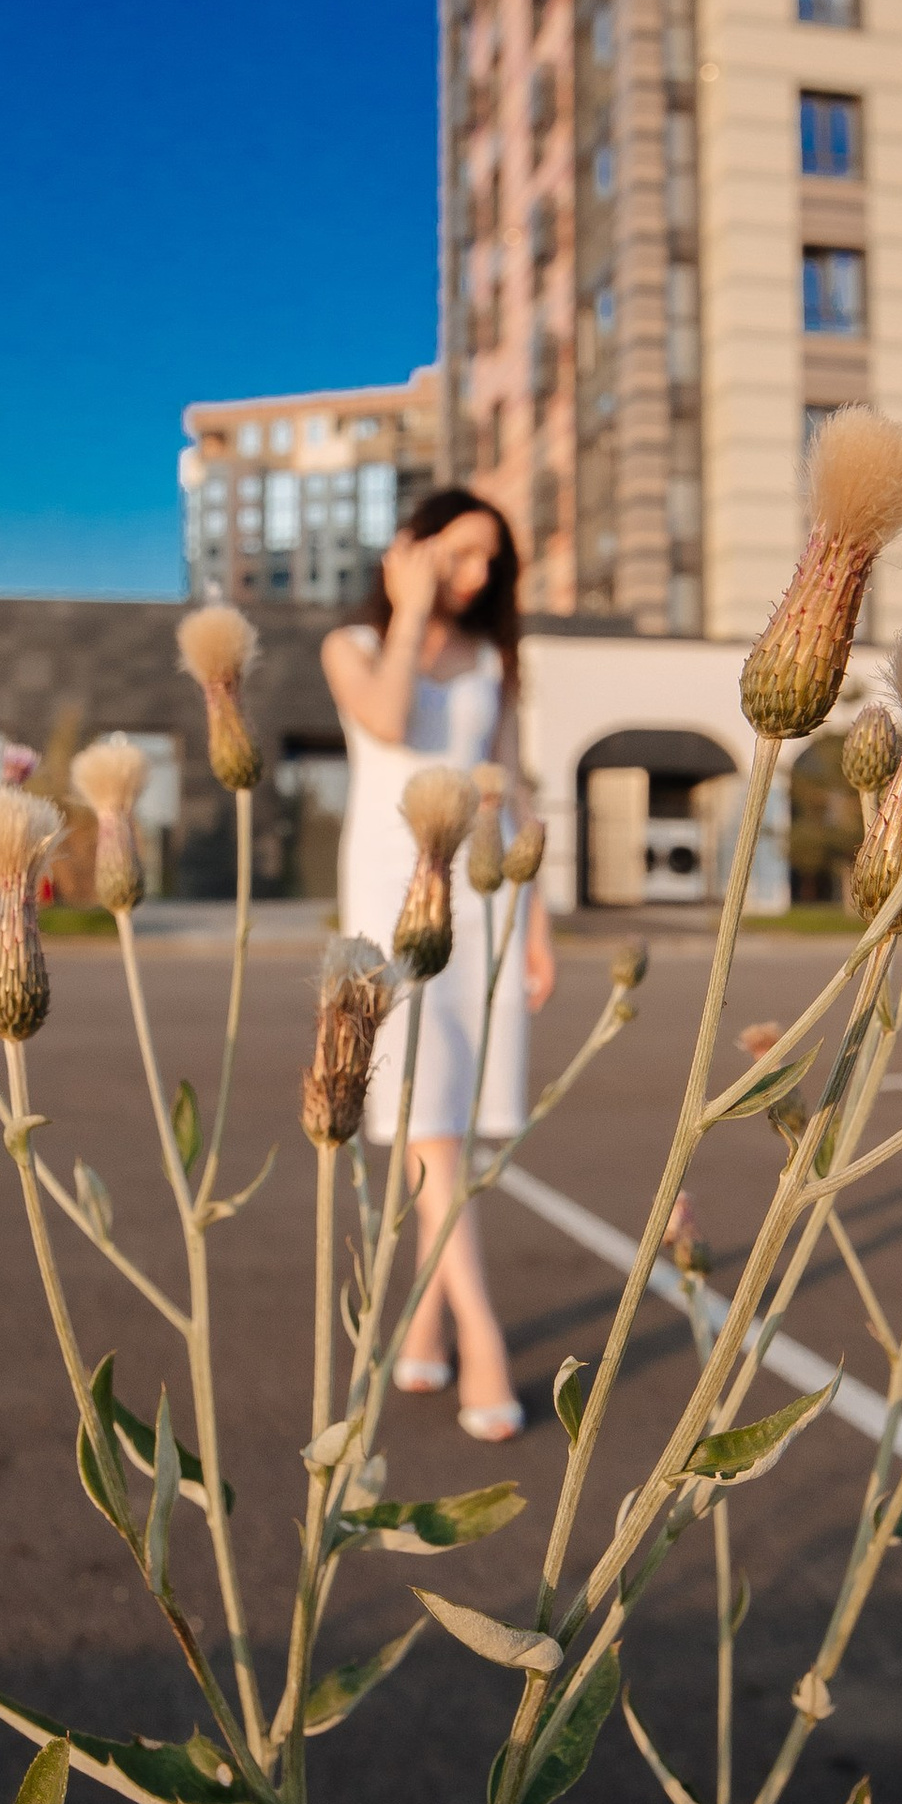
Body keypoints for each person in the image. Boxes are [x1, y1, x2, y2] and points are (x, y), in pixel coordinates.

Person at [322, 487, 555, 1440]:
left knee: (447, 1128)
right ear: (412, 549)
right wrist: (409, 603)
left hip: (483, 900)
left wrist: (537, 924)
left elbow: (512, 790)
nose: (476, 573)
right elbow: (386, 721)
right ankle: (481, 1340)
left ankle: (419, 1327)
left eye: (489, 559)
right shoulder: (352, 647)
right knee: (427, 1121)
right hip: (389, 903)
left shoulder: (495, 660)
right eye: (458, 552)